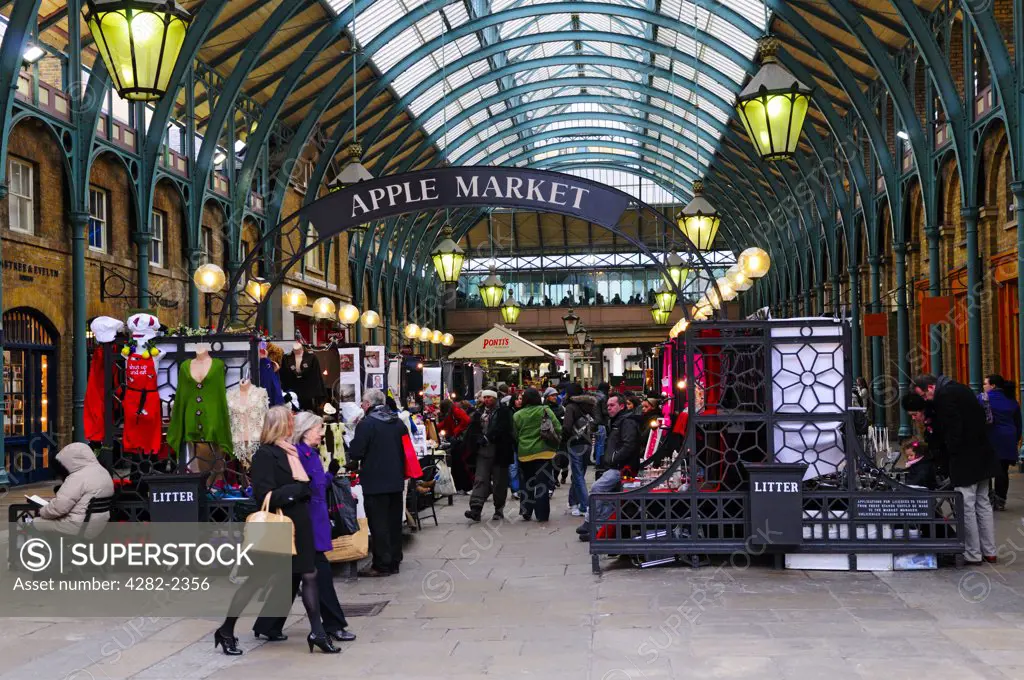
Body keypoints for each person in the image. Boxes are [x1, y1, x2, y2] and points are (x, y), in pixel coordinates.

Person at [215, 406, 339, 655]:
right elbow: (264, 495)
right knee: (255, 581)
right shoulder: (265, 455)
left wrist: (303, 489)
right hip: (278, 524)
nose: (292, 424)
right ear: (279, 425)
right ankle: (226, 629)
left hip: (299, 524)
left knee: (309, 574)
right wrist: (297, 490)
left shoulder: (292, 451)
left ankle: (317, 632)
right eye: (288, 421)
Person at [251, 412, 356, 643]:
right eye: (318, 428)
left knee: (293, 575)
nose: (321, 432)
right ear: (307, 430)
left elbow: (317, 484)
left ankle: (268, 624)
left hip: (314, 518)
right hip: (303, 521)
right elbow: (296, 488)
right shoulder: (296, 454)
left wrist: (331, 474)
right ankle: (332, 626)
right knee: (321, 575)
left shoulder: (311, 454)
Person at [912, 374, 999, 564]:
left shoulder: (944, 398)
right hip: (983, 454)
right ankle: (989, 551)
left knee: (965, 506)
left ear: (931, 388)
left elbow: (953, 430)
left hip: (965, 460)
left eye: (925, 396)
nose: (926, 400)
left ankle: (973, 553)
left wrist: (948, 453)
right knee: (983, 503)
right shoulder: (962, 388)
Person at [347, 389, 407, 577]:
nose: (362, 406)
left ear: (369, 403)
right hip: (396, 480)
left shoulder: (367, 424)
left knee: (379, 523)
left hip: (375, 481)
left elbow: (357, 452)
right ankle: (395, 560)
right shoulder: (397, 421)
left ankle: (382, 563)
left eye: (363, 403)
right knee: (394, 521)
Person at [577, 394, 642, 540]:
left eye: (612, 405)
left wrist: (614, 458)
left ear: (622, 406)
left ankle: (590, 522)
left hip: (621, 467)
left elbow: (629, 444)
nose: (609, 408)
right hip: (617, 465)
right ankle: (599, 529)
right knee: (609, 499)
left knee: (597, 489)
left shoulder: (626, 422)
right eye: (607, 406)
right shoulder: (618, 421)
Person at [34, 442, 114, 538]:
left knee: (35, 522)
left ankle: (54, 551)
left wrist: (42, 511)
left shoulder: (78, 477)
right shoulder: (103, 472)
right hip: (97, 525)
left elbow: (59, 508)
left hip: (77, 527)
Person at [464, 389, 515, 521]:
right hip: (483, 452)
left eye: (489, 397)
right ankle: (476, 508)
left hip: (500, 452)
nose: (487, 400)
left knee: (500, 482)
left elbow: (503, 428)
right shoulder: (479, 412)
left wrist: (488, 437)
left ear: (495, 398)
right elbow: (473, 428)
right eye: (485, 397)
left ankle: (498, 509)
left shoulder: (503, 411)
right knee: (480, 479)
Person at [512, 388, 562, 522]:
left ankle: (526, 511)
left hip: (525, 453)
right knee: (542, 484)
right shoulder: (545, 410)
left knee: (526, 483)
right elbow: (557, 427)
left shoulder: (518, 415)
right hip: (544, 453)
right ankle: (542, 514)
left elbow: (515, 435)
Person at [981, 374, 1022, 510]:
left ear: (992, 386)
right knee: (1002, 471)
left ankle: (988, 498)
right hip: (1008, 438)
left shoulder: (982, 399)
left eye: (985, 383)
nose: (984, 386)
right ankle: (1000, 500)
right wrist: (1015, 439)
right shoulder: (1012, 401)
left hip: (990, 437)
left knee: (987, 470)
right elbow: (1018, 424)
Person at [562, 383, 598, 517]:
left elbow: (566, 426)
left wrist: (564, 440)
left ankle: (585, 505)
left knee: (577, 475)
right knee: (579, 474)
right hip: (588, 443)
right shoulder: (590, 405)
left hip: (575, 443)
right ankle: (573, 503)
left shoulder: (570, 407)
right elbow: (596, 421)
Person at [439, 399, 473, 493]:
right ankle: (462, 487)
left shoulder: (455, 411)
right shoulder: (454, 411)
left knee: (460, 463)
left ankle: (466, 487)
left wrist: (455, 432)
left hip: (459, 441)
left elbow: (466, 420)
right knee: (458, 463)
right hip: (457, 440)